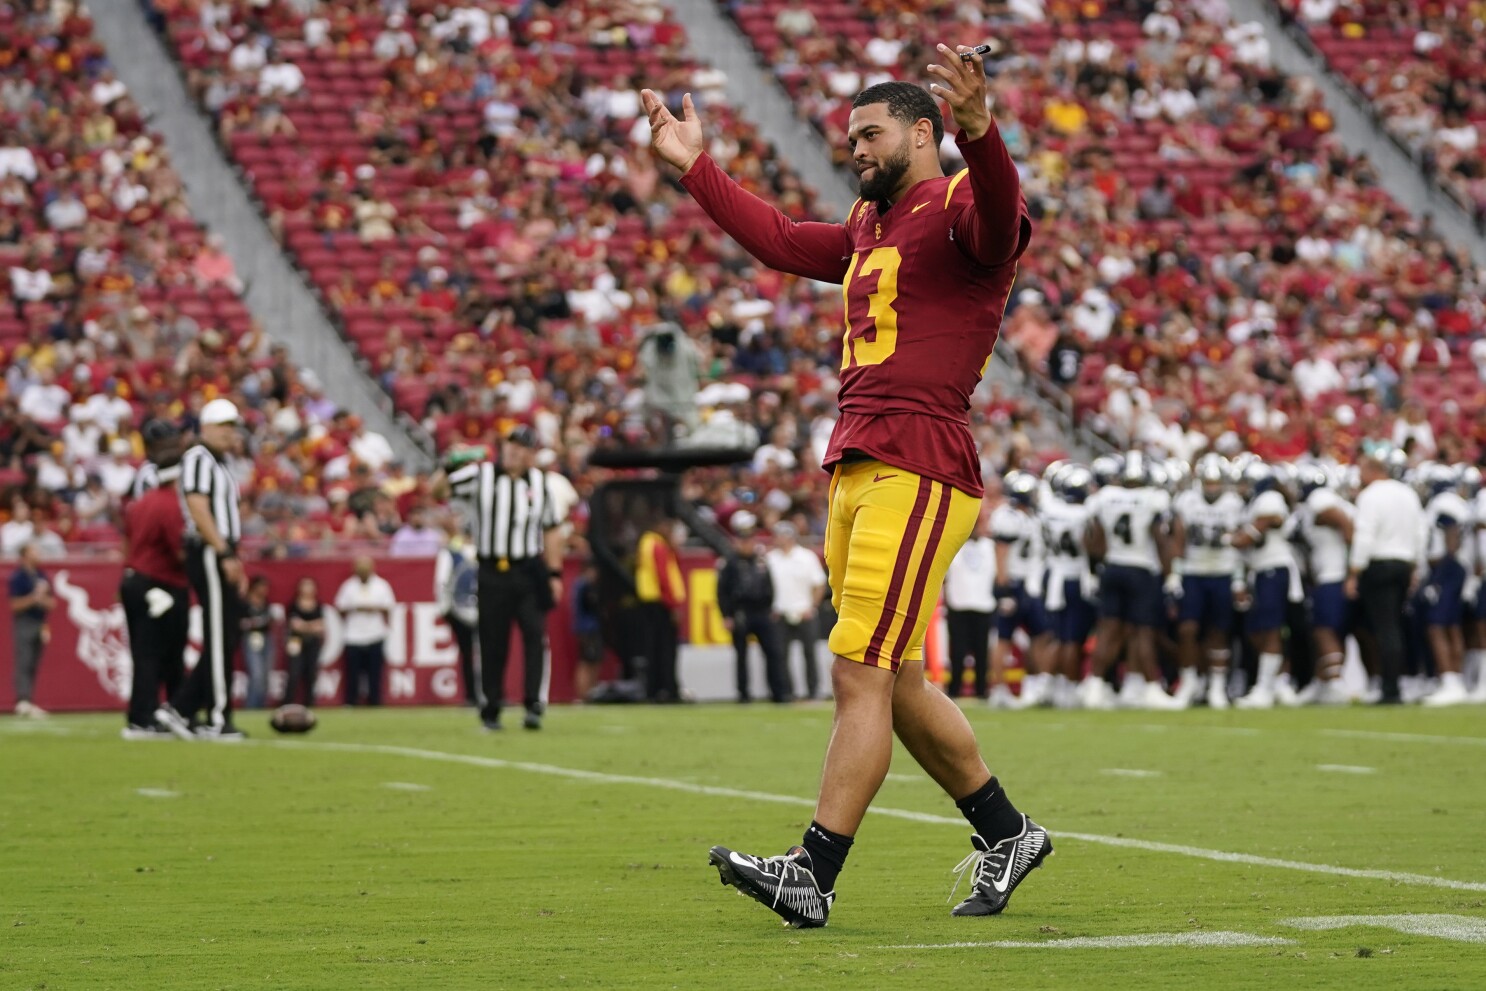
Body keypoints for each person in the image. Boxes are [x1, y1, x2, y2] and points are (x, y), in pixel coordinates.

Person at [644, 48, 1048, 929]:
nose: (855, 148)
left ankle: (813, 872)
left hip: (921, 459)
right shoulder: (872, 225)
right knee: (894, 676)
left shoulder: (960, 208)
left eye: (871, 133)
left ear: (922, 131)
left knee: (856, 666)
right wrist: (696, 171)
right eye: (850, 136)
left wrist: (981, 131)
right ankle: (1007, 832)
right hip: (860, 459)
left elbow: (999, 215)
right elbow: (783, 240)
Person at [435, 425, 564, 731]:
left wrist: (555, 572)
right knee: (492, 641)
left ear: (531, 454)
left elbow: (552, 528)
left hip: (528, 568)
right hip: (492, 569)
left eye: (521, 447)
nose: (514, 451)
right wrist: (448, 464)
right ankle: (491, 708)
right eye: (510, 444)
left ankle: (534, 705)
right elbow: (438, 491)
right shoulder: (481, 476)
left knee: (535, 637)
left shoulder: (541, 483)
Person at [155, 399, 248, 740]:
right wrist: (223, 552)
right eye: (223, 426)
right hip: (209, 549)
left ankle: (180, 709)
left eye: (232, 426)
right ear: (205, 427)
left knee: (225, 636)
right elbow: (197, 506)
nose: (229, 432)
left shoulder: (220, 462)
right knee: (219, 635)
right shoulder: (198, 458)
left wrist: (233, 556)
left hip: (221, 549)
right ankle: (218, 718)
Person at [120, 421, 189, 738]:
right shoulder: (169, 504)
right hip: (158, 582)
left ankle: (145, 713)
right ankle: (146, 716)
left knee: (145, 653)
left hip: (135, 577)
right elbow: (178, 551)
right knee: (156, 653)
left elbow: (129, 536)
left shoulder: (142, 501)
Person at [1346, 445, 1425, 704]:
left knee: (1385, 628)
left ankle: (1390, 688)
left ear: (1372, 470)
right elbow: (1420, 533)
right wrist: (1416, 567)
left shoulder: (1371, 495)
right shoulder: (1407, 493)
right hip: (1404, 564)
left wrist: (1354, 571)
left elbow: (1365, 535)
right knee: (1394, 626)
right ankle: (1396, 683)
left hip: (1379, 565)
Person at [1171, 454, 1245, 709]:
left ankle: (1216, 685)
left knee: (1219, 631)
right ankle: (1190, 681)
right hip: (1194, 571)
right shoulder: (1187, 501)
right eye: (1208, 482)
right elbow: (1179, 539)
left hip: (1223, 572)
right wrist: (1175, 574)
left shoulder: (1234, 503)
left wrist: (1238, 580)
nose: (1212, 487)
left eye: (1216, 482)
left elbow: (1238, 544)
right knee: (1187, 629)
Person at [717, 520, 788, 704]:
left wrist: (771, 606)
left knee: (773, 652)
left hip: (762, 612)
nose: (747, 544)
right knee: (741, 655)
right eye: (744, 540)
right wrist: (726, 615)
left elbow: (770, 585)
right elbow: (722, 592)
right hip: (741, 612)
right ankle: (743, 694)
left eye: (750, 540)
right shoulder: (730, 563)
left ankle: (778, 693)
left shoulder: (761, 561)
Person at [765, 522, 827, 700]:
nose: (780, 539)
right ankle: (787, 692)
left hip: (804, 611)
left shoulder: (806, 557)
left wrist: (812, 606)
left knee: (809, 653)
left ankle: (813, 690)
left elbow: (819, 584)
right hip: (780, 612)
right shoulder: (770, 558)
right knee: (781, 655)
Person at [942, 510, 995, 700]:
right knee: (958, 651)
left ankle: (982, 691)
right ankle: (954, 690)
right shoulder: (953, 544)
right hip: (959, 603)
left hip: (983, 604)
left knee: (982, 652)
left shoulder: (990, 546)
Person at [634, 517, 686, 702]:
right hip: (660, 604)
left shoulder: (647, 543)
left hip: (652, 602)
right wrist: (673, 606)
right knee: (665, 649)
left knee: (654, 648)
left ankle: (654, 689)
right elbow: (664, 577)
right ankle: (667, 689)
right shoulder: (656, 545)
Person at [335, 556, 396, 706]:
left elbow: (389, 606)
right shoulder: (348, 586)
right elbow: (340, 607)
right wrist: (356, 608)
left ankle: (375, 701)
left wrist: (372, 608)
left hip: (375, 634)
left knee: (375, 673)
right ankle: (351, 701)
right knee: (353, 673)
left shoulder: (382, 585)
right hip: (353, 636)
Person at [434, 520, 480, 706]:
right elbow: (442, 582)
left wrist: (444, 608)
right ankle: (478, 694)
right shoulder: (453, 553)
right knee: (474, 653)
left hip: (466, 609)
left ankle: (479, 694)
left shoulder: (452, 553)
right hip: (464, 609)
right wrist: (445, 608)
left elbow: (441, 582)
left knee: (472, 654)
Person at [8, 541, 54, 718]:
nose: (38, 554)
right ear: (25, 555)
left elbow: (52, 603)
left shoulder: (41, 575)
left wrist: (42, 600)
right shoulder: (18, 577)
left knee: (34, 662)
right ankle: (22, 701)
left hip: (40, 622)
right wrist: (33, 598)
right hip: (24, 622)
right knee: (24, 660)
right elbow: (14, 605)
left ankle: (29, 700)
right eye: (34, 551)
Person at [283, 577, 325, 707]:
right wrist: (311, 627)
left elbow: (320, 627)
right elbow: (294, 625)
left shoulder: (318, 605)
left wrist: (305, 626)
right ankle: (288, 702)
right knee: (294, 671)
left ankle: (310, 703)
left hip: (312, 643)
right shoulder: (294, 605)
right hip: (295, 641)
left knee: (311, 672)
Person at [571, 561, 604, 702]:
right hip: (588, 628)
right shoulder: (585, 586)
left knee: (592, 660)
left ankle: (590, 693)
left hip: (586, 628)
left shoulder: (579, 585)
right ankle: (584, 694)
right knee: (587, 661)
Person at [240, 576, 275, 709]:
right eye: (262, 586)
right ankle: (251, 706)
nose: (264, 590)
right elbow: (240, 622)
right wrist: (253, 623)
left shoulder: (266, 602)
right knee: (256, 673)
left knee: (266, 674)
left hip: (266, 638)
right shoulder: (246, 602)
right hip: (251, 638)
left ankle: (261, 705)